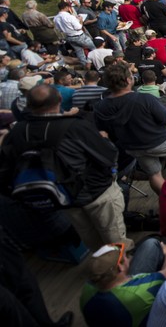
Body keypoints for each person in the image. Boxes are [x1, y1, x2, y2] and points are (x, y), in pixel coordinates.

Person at [0, 84, 129, 250]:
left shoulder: (16, 132)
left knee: (91, 240)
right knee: (115, 237)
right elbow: (108, 155)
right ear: (60, 100)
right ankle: (120, 267)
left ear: (29, 105)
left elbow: (7, 170)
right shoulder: (75, 126)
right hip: (96, 192)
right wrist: (103, 139)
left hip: (64, 197)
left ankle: (104, 264)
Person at [94, 63, 166, 194]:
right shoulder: (144, 99)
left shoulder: (101, 106)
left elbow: (103, 132)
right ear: (129, 80)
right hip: (159, 140)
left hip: (133, 148)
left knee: (154, 174)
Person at [80, 238, 166, 327]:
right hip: (141, 313)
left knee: (150, 244)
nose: (128, 257)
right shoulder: (141, 290)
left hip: (119, 314)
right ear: (120, 267)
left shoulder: (86, 291)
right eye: (124, 256)